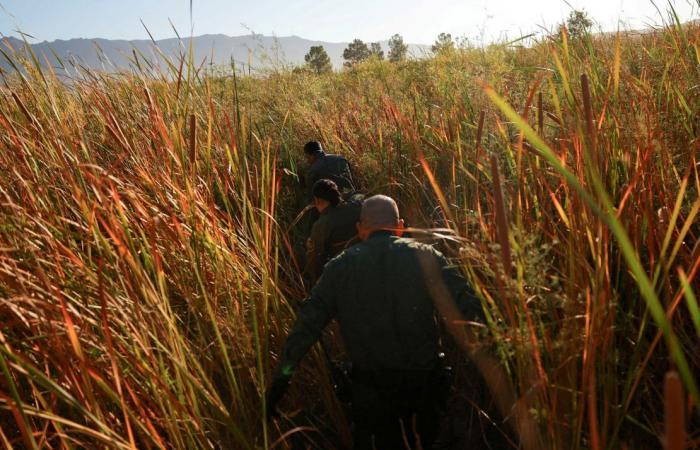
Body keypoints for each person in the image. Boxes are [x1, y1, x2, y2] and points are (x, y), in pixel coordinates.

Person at [266, 195, 485, 449]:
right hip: (424, 390)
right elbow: (472, 307)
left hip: (370, 396)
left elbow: (306, 327)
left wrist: (281, 380)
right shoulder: (427, 257)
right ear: (400, 226)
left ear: (360, 229)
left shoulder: (339, 268)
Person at [306, 179, 363, 282]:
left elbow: (316, 260)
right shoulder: (357, 206)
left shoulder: (321, 225)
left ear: (317, 200)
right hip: (365, 261)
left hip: (343, 273)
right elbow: (359, 195)